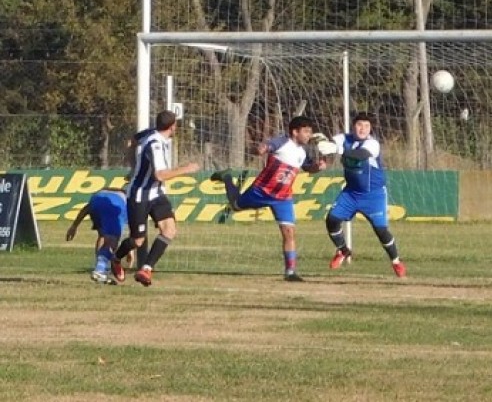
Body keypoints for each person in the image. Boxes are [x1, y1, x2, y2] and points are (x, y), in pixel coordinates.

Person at [209, 116, 328, 281]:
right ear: (295, 132)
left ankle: (290, 272)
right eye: (306, 131)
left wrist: (318, 167)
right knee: (235, 205)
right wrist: (262, 148)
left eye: (310, 132)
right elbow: (267, 146)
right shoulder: (282, 141)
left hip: (283, 197)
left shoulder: (303, 151)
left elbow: (308, 168)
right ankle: (227, 177)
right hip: (261, 191)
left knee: (289, 232)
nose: (309, 135)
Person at [112, 110, 200, 287]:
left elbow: (132, 140)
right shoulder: (155, 144)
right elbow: (159, 175)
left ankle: (146, 268)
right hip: (139, 195)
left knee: (169, 229)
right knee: (138, 240)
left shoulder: (150, 133)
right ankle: (115, 259)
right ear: (173, 126)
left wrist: (133, 166)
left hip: (156, 194)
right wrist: (186, 169)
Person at [325, 112, 406, 278]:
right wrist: (320, 142)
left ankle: (396, 261)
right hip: (351, 192)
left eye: (367, 126)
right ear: (353, 126)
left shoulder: (372, 143)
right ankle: (343, 251)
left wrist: (337, 149)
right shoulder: (344, 138)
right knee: (331, 220)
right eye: (359, 125)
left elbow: (360, 155)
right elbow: (330, 143)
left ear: (371, 129)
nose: (363, 129)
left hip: (373, 195)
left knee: (381, 230)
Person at [65, 187, 129, 284]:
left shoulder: (114, 191)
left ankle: (101, 267)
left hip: (96, 198)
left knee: (102, 236)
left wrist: (74, 226)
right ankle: (100, 270)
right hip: (113, 203)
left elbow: (86, 208)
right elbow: (134, 229)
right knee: (112, 240)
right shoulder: (129, 201)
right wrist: (130, 250)